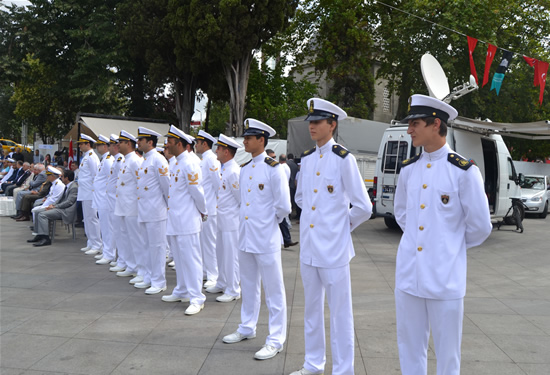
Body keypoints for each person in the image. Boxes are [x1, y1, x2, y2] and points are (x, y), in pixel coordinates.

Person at [393, 94, 493, 375]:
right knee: (410, 348)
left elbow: (480, 226)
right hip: (409, 277)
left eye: (415, 123)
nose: (409, 129)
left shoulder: (463, 171)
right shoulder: (409, 170)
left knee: (448, 355)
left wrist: (448, 248)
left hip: (445, 279)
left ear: (436, 124)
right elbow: (402, 215)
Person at [291, 98, 372, 375]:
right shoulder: (307, 158)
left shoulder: (344, 159)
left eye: (317, 122)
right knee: (311, 311)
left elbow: (364, 206)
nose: (312, 126)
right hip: (310, 250)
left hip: (335, 251)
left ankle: (343, 370)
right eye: (310, 122)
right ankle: (313, 364)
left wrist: (340, 227)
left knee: (340, 315)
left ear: (332, 124)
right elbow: (301, 197)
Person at [222, 118, 291, 361]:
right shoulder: (246, 169)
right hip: (246, 236)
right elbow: (244, 202)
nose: (245, 141)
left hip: (265, 237)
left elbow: (283, 207)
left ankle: (275, 339)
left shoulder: (275, 168)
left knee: (274, 290)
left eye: (249, 138)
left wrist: (265, 223)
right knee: (248, 285)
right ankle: (247, 327)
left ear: (261, 140)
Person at [162, 125, 208, 315]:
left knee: (191, 259)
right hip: (175, 219)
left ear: (179, 144)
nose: (167, 145)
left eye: (170, 142)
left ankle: (197, 297)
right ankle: (181, 289)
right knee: (179, 259)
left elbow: (197, 191)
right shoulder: (174, 162)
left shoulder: (190, 162)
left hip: (187, 219)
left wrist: (203, 211)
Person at [135, 127, 170, 295]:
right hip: (145, 210)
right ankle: (149, 276)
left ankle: (159, 281)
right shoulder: (145, 160)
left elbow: (167, 187)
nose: (138, 142)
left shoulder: (158, 160)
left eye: (141, 140)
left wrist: (167, 208)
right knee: (146, 246)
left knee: (157, 247)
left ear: (150, 142)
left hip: (156, 211)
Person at [211, 134, 242, 302]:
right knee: (221, 253)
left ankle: (233, 289)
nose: (216, 151)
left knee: (231, 256)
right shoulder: (225, 169)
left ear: (227, 152)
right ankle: (222, 282)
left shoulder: (234, 171)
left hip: (231, 221)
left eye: (220, 149)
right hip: (222, 219)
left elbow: (240, 199)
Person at [111, 131, 144, 283]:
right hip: (123, 205)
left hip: (132, 206)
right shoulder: (126, 160)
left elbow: (141, 184)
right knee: (125, 237)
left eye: (121, 142)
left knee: (136, 239)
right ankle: (131, 265)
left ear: (129, 144)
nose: (118, 145)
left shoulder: (135, 161)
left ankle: (141, 269)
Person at [195, 130, 221, 290]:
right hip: (204, 209)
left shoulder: (212, 160)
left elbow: (218, 186)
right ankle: (206, 271)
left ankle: (213, 274)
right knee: (204, 242)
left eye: (198, 142)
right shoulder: (204, 160)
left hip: (210, 209)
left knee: (210, 243)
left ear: (205, 144)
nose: (196, 145)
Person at [27, 169, 78, 247]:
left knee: (42, 215)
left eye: (62, 176)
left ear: (67, 178)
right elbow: (59, 199)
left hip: (65, 211)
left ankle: (45, 238)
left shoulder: (73, 187)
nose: (61, 178)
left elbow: (69, 202)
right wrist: (52, 205)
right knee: (37, 211)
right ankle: (39, 234)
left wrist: (55, 206)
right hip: (60, 208)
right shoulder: (68, 186)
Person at [266, 150, 298, 249]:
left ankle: (286, 239)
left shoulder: (279, 168)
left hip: (279, 197)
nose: (273, 159)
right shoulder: (282, 167)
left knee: (283, 218)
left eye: (274, 157)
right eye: (271, 157)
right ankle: (286, 239)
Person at [76, 134, 102, 254]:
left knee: (92, 218)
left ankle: (97, 244)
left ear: (88, 144)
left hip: (90, 192)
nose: (80, 146)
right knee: (86, 219)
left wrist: (95, 192)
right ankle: (91, 242)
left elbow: (95, 175)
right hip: (84, 192)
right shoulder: (86, 156)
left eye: (81, 143)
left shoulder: (92, 157)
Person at [91, 135, 115, 262]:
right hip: (101, 198)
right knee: (105, 227)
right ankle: (107, 250)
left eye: (99, 145)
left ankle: (109, 254)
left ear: (105, 146)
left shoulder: (108, 160)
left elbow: (110, 180)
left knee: (107, 228)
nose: (97, 147)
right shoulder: (104, 159)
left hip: (105, 199)